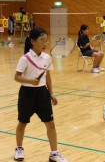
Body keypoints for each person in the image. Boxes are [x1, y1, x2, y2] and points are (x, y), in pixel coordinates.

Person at [14, 28, 68, 162]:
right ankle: (19, 148)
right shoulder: (25, 58)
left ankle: (54, 153)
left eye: (46, 40)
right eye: (42, 40)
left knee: (50, 124)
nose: (45, 43)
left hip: (42, 93)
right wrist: (30, 81)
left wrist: (51, 93)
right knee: (22, 123)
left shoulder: (47, 57)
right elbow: (16, 77)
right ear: (32, 41)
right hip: (27, 94)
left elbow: (48, 76)